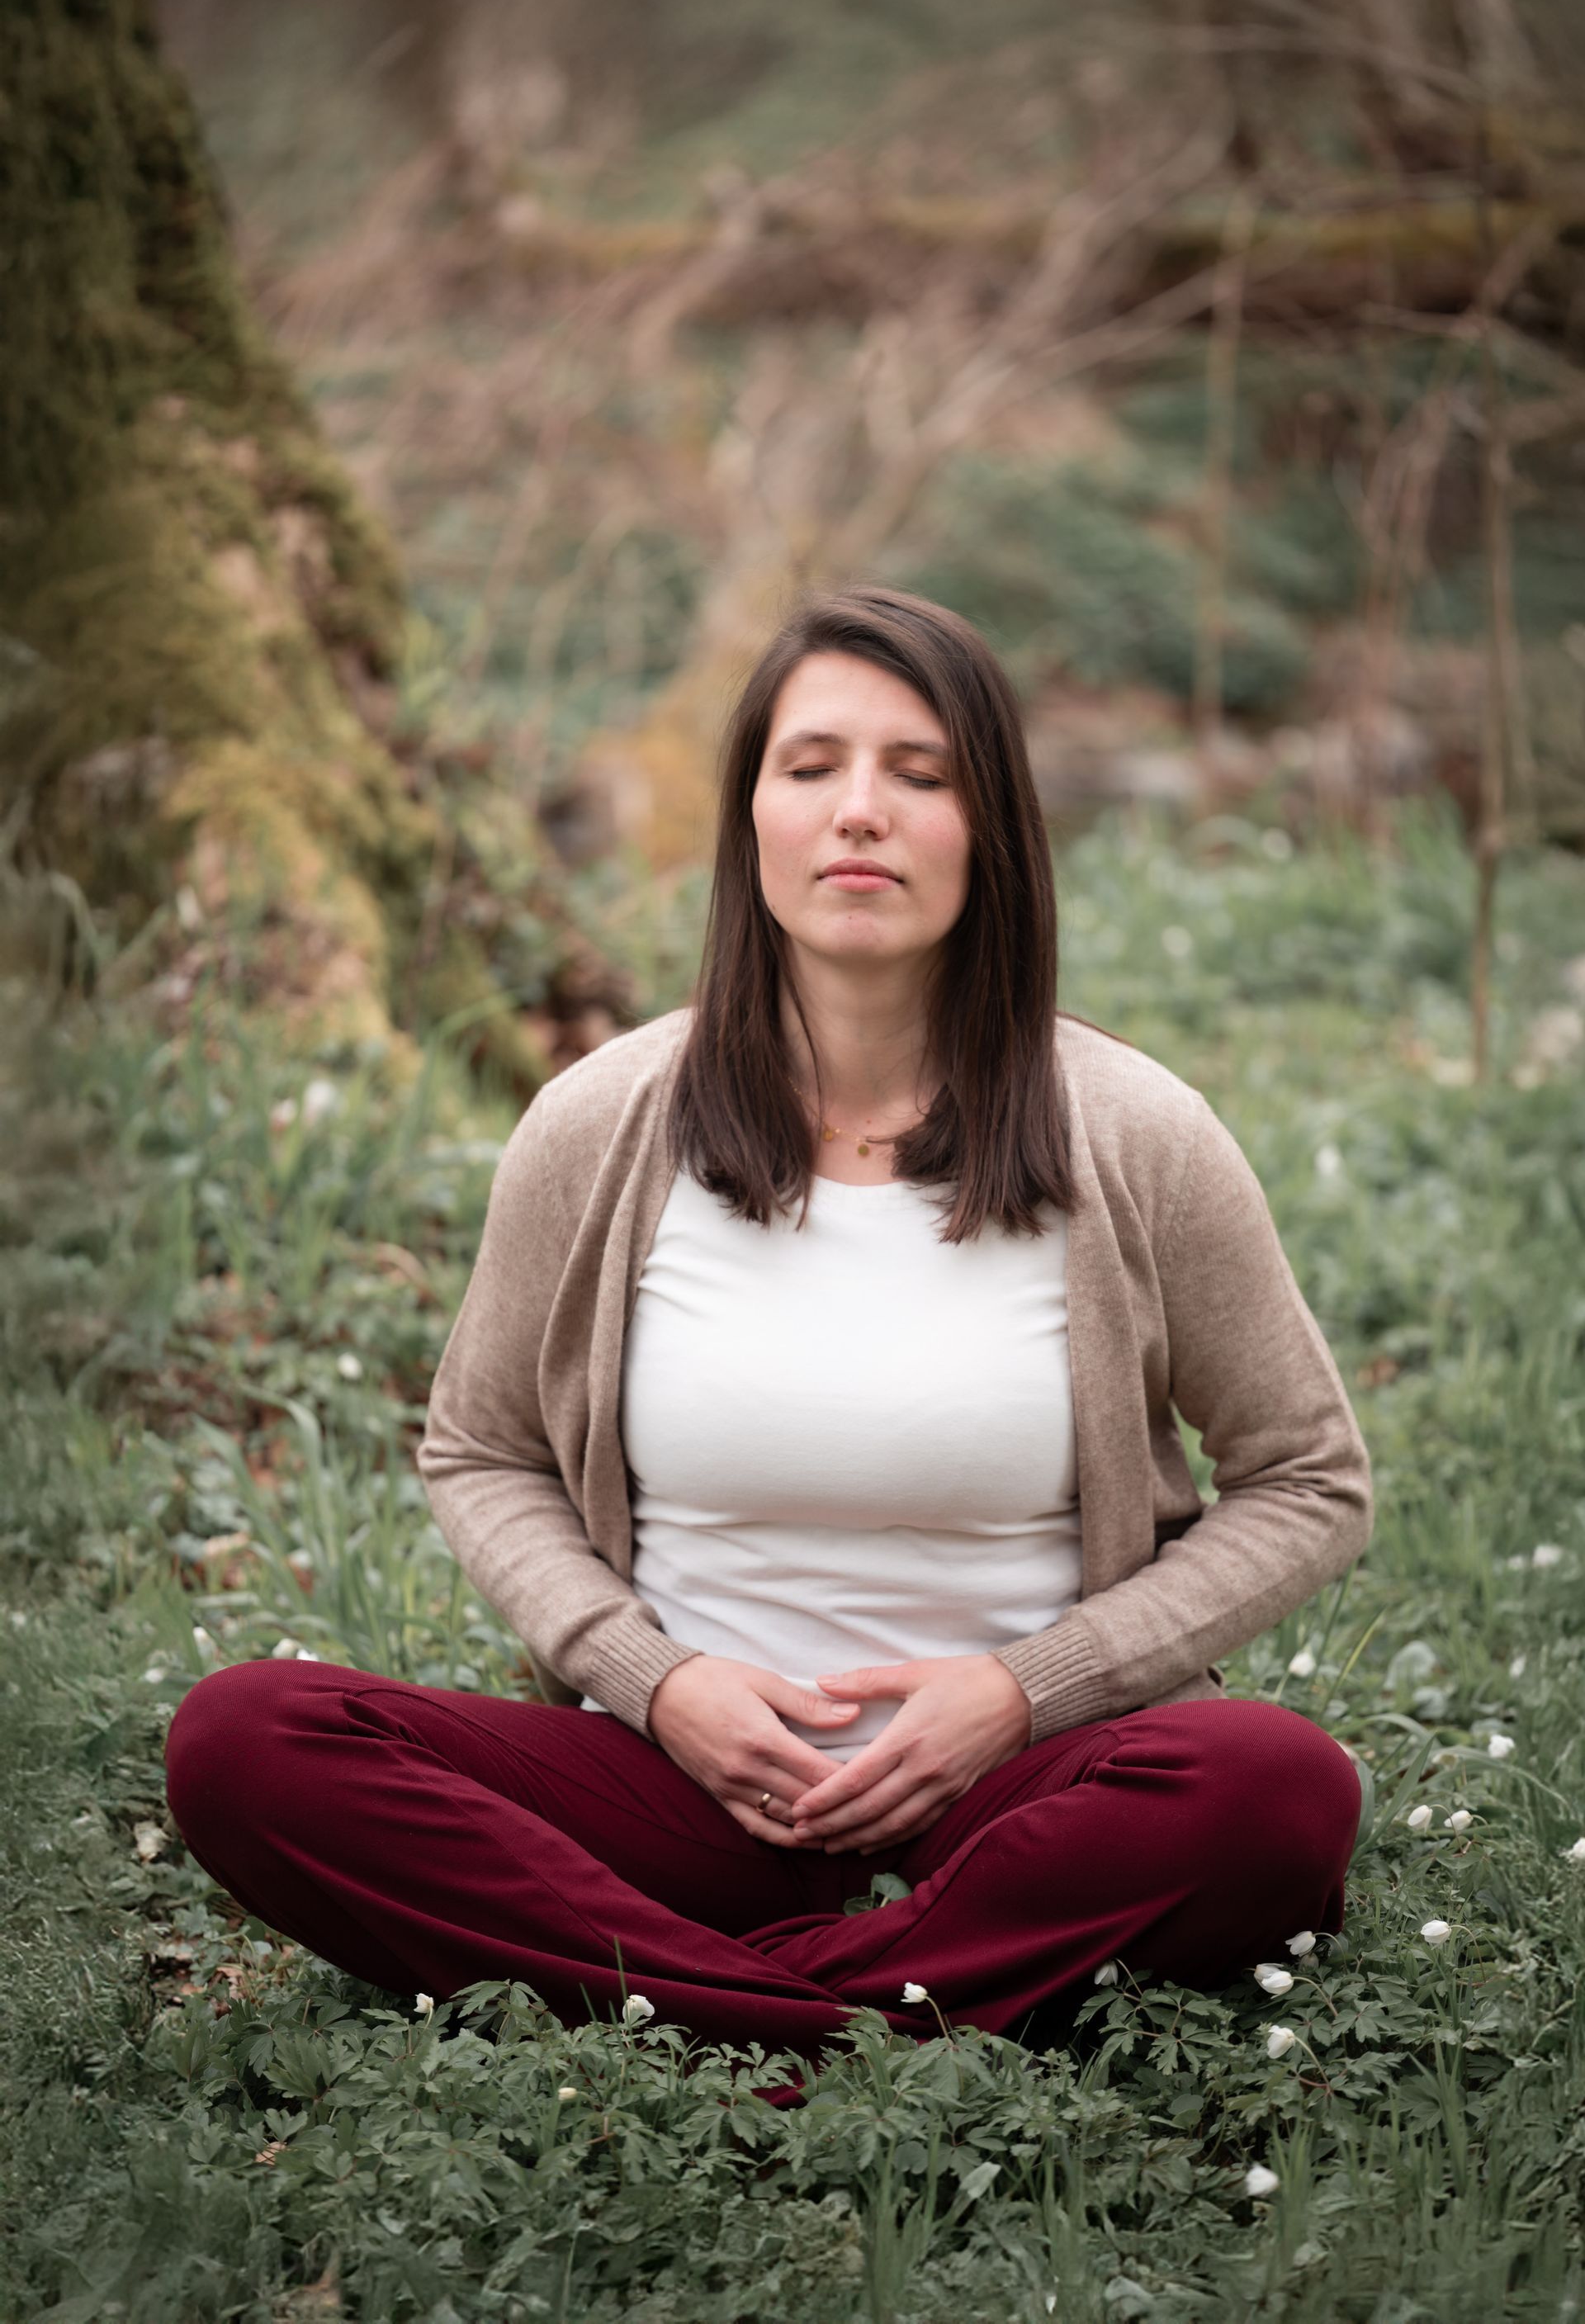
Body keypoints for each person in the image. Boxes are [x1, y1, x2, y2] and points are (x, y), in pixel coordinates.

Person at [165, 584, 1371, 2068]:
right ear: (750, 818)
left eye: (919, 775)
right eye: (812, 768)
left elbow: (1309, 1477)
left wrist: (1018, 1692)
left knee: (1277, 1790)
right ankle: (860, 2009)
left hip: (1020, 1799)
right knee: (242, 1742)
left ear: (990, 829)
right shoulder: (603, 1123)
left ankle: (686, 2007)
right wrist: (653, 1681)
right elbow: (479, 1450)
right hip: (676, 1796)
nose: (860, 811)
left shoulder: (1134, 1133)